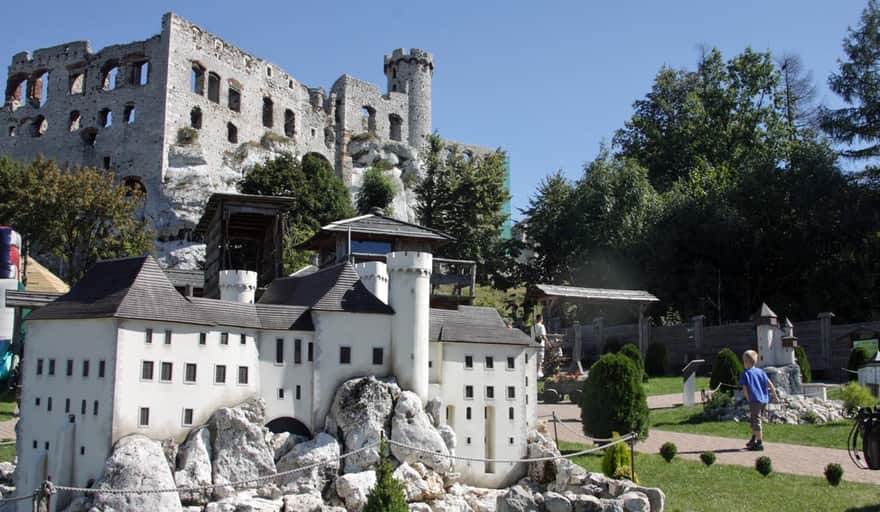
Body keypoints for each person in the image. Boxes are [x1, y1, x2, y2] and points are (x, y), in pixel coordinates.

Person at [739, 349, 778, 451]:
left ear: (746, 362)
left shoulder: (746, 373)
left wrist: (748, 398)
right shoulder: (761, 371)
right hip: (764, 399)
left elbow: (745, 388)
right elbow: (770, 384)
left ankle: (759, 442)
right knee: (754, 419)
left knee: (756, 420)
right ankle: (754, 438)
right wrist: (775, 395)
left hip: (754, 400)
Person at [531, 314, 547, 378]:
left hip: (533, 345)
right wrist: (548, 343)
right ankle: (537, 375)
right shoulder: (541, 326)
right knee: (540, 361)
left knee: (534, 360)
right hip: (540, 345)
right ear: (541, 319)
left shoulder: (532, 327)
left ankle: (536, 374)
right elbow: (543, 336)